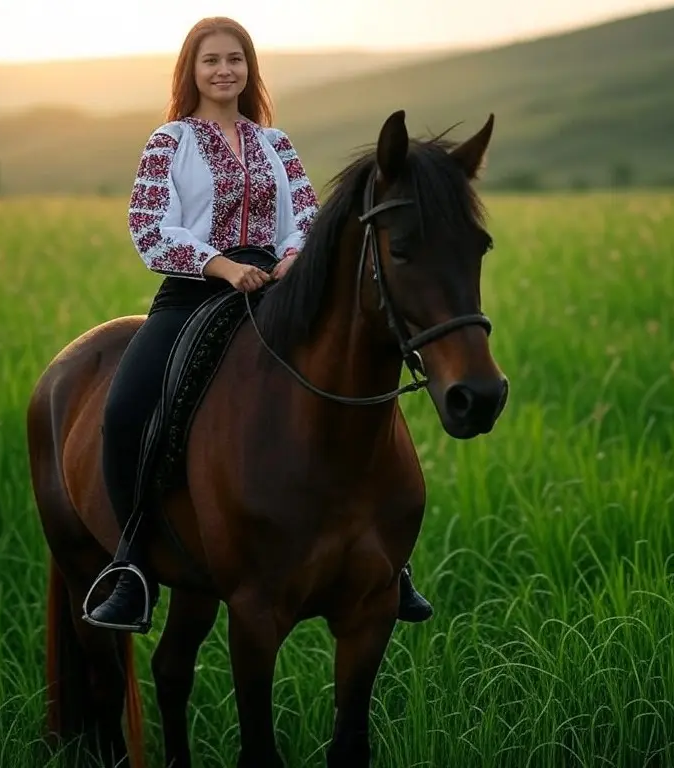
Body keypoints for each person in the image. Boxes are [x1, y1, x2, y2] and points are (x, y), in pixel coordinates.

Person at [85, 16, 434, 633]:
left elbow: (306, 215)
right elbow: (149, 226)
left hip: (279, 289)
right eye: (211, 60)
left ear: (250, 70)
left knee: (352, 379)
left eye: (236, 60)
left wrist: (295, 258)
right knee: (126, 407)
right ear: (190, 70)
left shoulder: (276, 144)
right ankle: (132, 563)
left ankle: (387, 556)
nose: (225, 70)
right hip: (194, 293)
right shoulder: (170, 141)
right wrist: (220, 266)